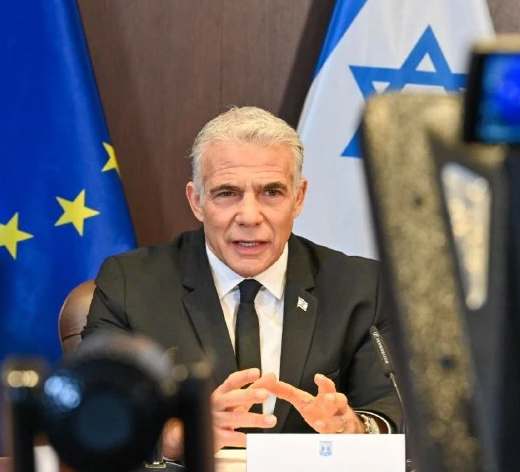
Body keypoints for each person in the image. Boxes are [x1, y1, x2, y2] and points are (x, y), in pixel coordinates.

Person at [83, 106, 401, 457]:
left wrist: (354, 428)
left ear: (298, 198)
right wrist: (177, 435)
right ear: (197, 201)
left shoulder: (361, 288)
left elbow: (394, 412)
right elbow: (94, 413)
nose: (250, 216)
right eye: (227, 193)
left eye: (272, 192)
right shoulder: (130, 285)